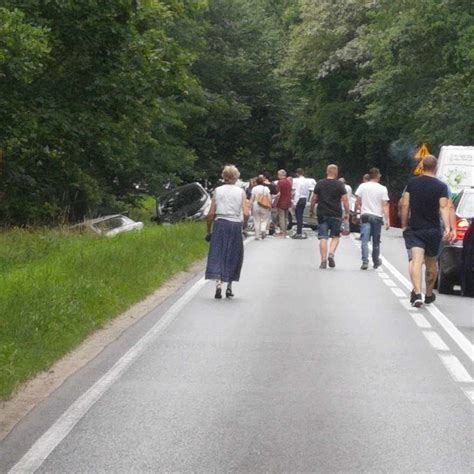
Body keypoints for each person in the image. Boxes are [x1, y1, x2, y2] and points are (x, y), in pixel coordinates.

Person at [399, 155, 454, 307]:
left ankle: (417, 293)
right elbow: (444, 207)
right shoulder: (441, 186)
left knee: (416, 261)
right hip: (433, 230)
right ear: (436, 168)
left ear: (422, 167)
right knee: (431, 265)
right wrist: (448, 228)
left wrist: (404, 224)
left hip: (416, 228)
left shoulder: (412, 183)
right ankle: (428, 293)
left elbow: (404, 204)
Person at [205, 165, 249, 299]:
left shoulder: (217, 191)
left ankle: (218, 284)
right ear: (236, 177)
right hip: (235, 224)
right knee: (233, 254)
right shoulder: (241, 192)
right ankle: (229, 286)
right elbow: (246, 213)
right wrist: (244, 227)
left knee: (219, 252)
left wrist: (209, 229)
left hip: (220, 223)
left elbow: (211, 213)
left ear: (224, 177)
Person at [309, 164, 349, 268]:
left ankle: (323, 259)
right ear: (336, 173)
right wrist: (347, 212)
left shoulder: (320, 183)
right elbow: (345, 200)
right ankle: (331, 253)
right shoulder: (340, 185)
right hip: (336, 213)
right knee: (335, 236)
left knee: (323, 237)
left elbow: (313, 198)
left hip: (322, 213)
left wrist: (311, 209)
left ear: (327, 172)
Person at [355, 168, 390, 270]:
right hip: (377, 217)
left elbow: (358, 201)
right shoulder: (383, 188)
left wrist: (358, 211)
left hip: (365, 215)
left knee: (364, 240)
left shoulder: (363, 186)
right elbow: (384, 205)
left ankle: (365, 261)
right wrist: (387, 220)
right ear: (378, 176)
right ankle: (375, 261)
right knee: (376, 241)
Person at [251, 176, 272, 240]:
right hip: (264, 205)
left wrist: (250, 206)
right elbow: (269, 197)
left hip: (256, 204)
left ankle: (257, 235)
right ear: (263, 182)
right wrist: (270, 205)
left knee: (256, 220)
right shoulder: (266, 188)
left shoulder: (254, 189)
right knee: (264, 219)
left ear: (256, 182)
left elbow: (252, 198)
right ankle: (263, 230)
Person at [292, 168, 310, 239]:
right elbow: (308, 191)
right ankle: (300, 231)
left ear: (297, 173)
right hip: (304, 198)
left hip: (299, 199)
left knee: (298, 216)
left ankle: (298, 232)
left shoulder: (298, 181)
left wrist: (295, 203)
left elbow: (297, 192)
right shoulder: (306, 181)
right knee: (301, 215)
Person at [275, 169, 292, 237]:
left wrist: (275, 202)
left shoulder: (280, 182)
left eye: (278, 174)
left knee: (281, 217)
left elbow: (278, 192)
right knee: (286, 217)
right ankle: (285, 231)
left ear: (280, 175)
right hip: (288, 201)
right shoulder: (288, 182)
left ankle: (282, 231)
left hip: (281, 201)